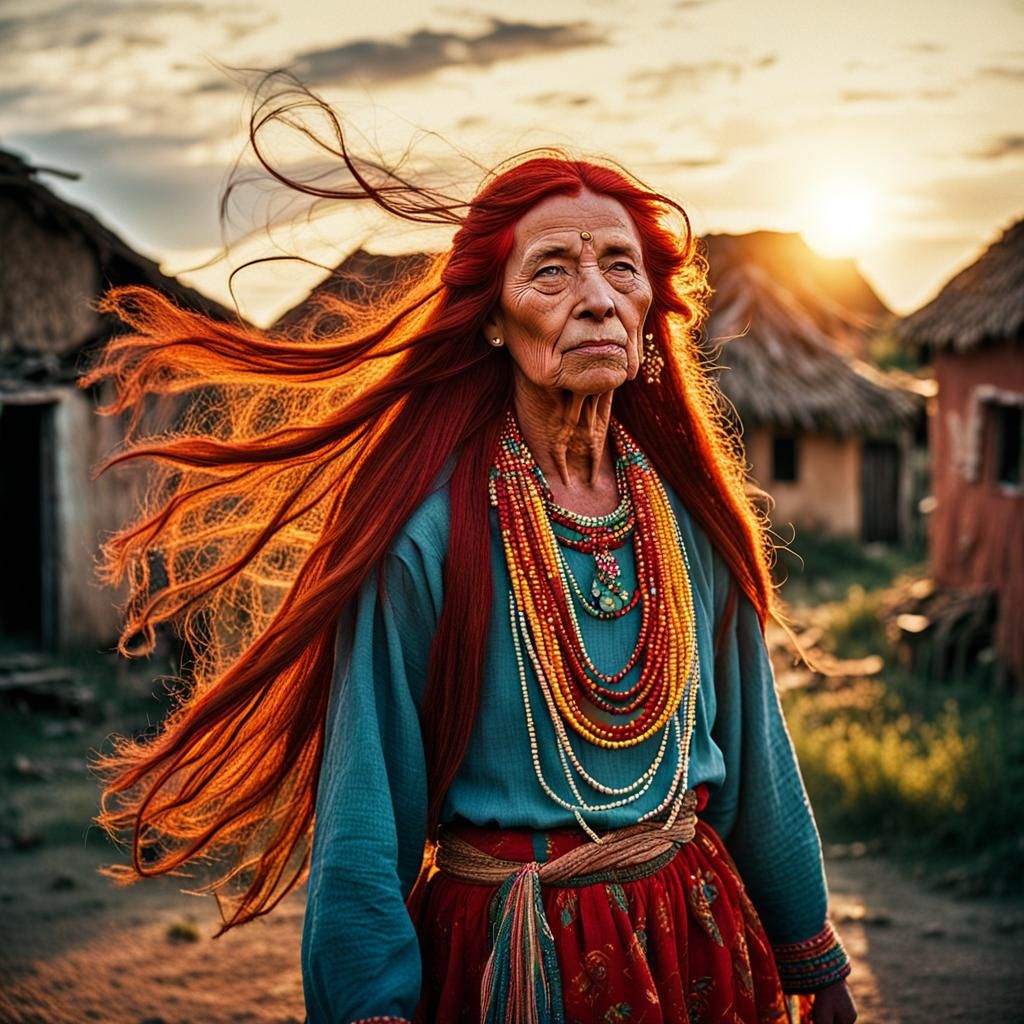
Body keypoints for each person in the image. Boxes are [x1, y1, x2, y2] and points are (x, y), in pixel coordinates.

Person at [86, 81, 856, 1024]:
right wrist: (371, 1001)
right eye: (553, 273)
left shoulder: (688, 522)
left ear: (653, 310)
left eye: (622, 269)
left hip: (695, 940)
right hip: (512, 955)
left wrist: (814, 960)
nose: (598, 300)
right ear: (494, 318)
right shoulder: (428, 537)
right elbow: (365, 817)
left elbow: (760, 758)